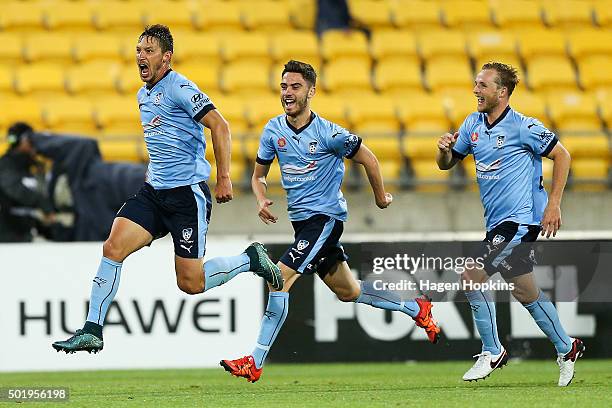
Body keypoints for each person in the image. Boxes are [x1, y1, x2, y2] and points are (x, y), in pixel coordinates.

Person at [52, 25, 283, 354]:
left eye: (148, 51)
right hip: (153, 193)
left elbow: (220, 124)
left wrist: (224, 177)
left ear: (166, 57)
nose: (140, 57)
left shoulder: (179, 87)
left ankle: (250, 259)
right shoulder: (142, 94)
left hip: (186, 196)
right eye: (138, 50)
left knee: (191, 283)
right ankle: (93, 329)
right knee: (113, 247)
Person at [220, 60, 441, 383]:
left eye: (295, 87)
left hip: (325, 220)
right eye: (284, 86)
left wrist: (381, 197)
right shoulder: (273, 130)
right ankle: (417, 308)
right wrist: (260, 197)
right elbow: (259, 176)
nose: (288, 93)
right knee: (349, 291)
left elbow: (369, 158)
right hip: (302, 224)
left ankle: (255, 361)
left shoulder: (330, 133)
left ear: (311, 91)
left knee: (277, 278)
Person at [436, 62, 583, 386]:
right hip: (497, 223)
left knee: (471, 273)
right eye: (476, 84)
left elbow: (563, 155)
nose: (476, 90)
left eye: (483, 85)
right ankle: (567, 347)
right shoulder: (472, 124)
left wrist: (554, 205)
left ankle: (492, 350)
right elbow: (447, 165)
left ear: (501, 92)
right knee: (524, 289)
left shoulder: (523, 127)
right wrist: (444, 151)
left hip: (521, 221)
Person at [0, 123, 56, 242]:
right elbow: (15, 189)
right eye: (31, 139)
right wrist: (42, 203)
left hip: (26, 234)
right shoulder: (5, 165)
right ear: (24, 141)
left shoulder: (30, 166)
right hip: (8, 237)